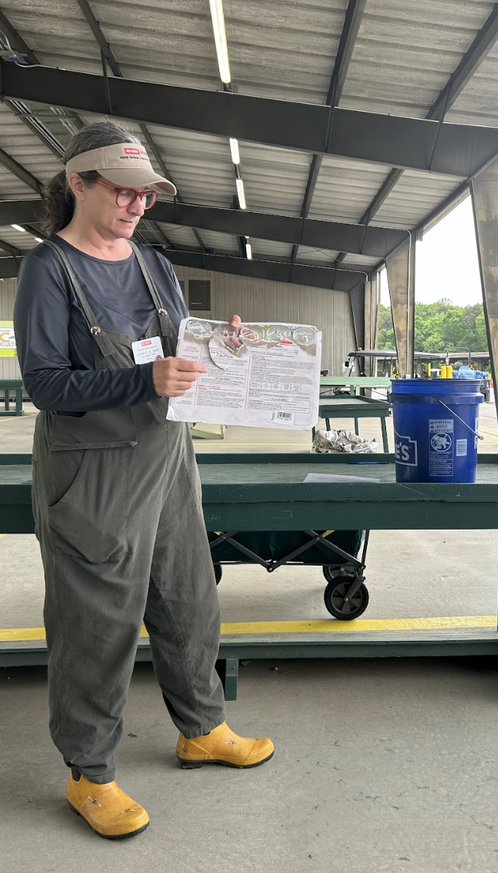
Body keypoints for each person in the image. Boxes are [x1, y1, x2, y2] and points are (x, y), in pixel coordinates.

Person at [14, 121, 273, 841]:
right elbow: (44, 383)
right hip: (91, 475)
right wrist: (141, 378)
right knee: (96, 625)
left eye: (146, 195)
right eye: (122, 191)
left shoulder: (154, 264)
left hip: (168, 460)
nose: (135, 205)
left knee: (190, 597)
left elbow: (183, 352)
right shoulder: (50, 268)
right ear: (78, 183)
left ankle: (203, 727)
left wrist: (226, 347)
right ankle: (89, 773)